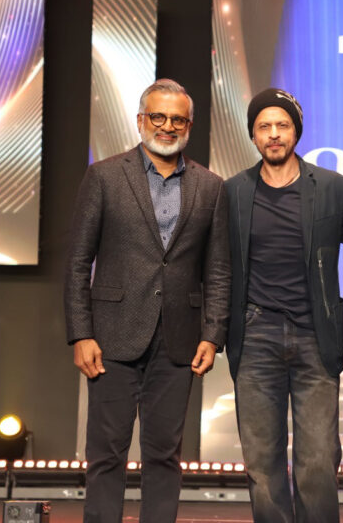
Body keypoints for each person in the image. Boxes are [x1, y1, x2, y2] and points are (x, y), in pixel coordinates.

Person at [64, 78, 231, 523]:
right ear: (141, 120)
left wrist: (213, 335)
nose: (167, 126)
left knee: (164, 456)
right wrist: (81, 334)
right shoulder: (104, 176)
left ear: (189, 125)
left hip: (179, 340)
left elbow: (218, 270)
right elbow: (78, 261)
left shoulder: (211, 187)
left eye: (177, 119)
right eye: (158, 116)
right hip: (111, 337)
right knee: (106, 454)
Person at [225, 88, 343, 523]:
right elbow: (217, 266)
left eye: (282, 125)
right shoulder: (233, 191)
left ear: (296, 132)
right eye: (264, 126)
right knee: (261, 462)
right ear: (253, 135)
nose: (274, 134)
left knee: (318, 461)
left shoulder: (330, 187)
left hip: (314, 335)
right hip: (255, 335)